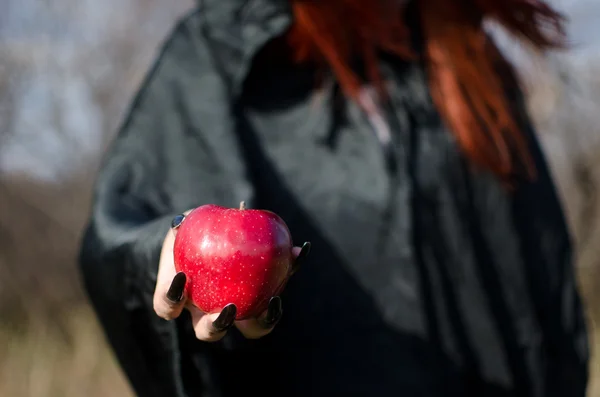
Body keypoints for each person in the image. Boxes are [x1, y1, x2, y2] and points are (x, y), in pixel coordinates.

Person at [77, 0, 590, 396]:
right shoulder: (224, 47)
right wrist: (166, 258)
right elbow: (125, 219)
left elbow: (540, 265)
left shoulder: (464, 49)